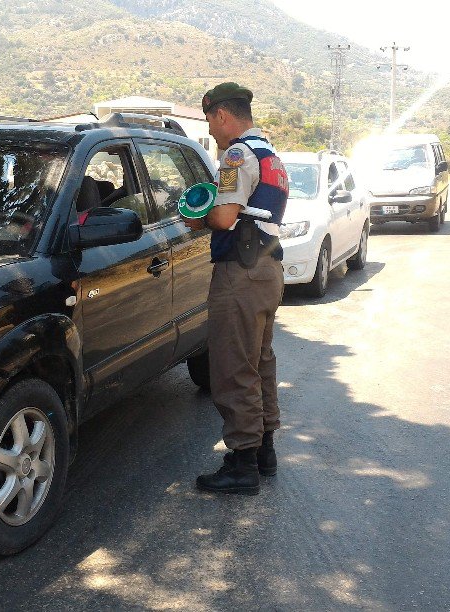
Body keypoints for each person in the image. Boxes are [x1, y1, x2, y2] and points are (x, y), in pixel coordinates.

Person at [184, 82, 288, 495]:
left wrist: (199, 220)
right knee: (260, 362)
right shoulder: (271, 154)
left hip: (240, 272)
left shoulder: (236, 155)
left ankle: (241, 462)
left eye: (210, 121)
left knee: (232, 367)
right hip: (267, 268)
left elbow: (225, 218)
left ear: (221, 115)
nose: (210, 130)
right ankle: (264, 451)